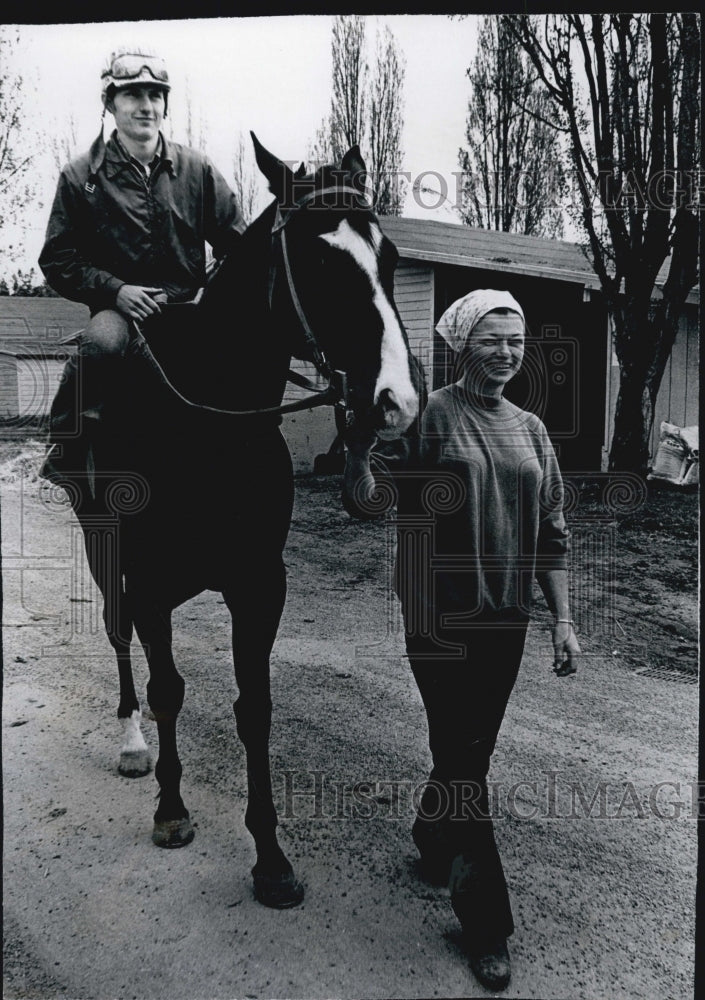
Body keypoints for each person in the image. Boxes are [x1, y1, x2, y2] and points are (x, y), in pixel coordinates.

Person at [394, 289, 580, 992]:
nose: (505, 353)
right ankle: (486, 926)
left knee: (467, 751)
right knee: (467, 763)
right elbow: (376, 486)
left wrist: (561, 619)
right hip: (437, 618)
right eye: (491, 339)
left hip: (506, 620)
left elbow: (552, 534)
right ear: (461, 342)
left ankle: (430, 835)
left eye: (515, 341)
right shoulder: (432, 414)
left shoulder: (532, 430)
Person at [38, 47, 246, 480]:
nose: (146, 106)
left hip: (190, 309)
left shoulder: (198, 169)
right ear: (110, 103)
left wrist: (215, 280)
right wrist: (116, 290)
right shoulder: (81, 177)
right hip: (120, 315)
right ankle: (66, 450)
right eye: (133, 95)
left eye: (155, 95)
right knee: (100, 345)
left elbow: (237, 245)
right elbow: (58, 259)